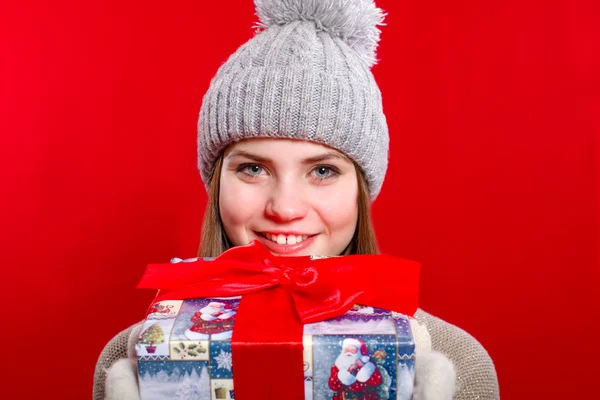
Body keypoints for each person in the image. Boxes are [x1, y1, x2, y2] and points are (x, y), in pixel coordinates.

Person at [94, 1, 499, 399]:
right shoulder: (132, 358)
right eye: (253, 169)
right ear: (217, 184)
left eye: (322, 171)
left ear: (360, 190)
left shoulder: (455, 359)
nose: (285, 209)